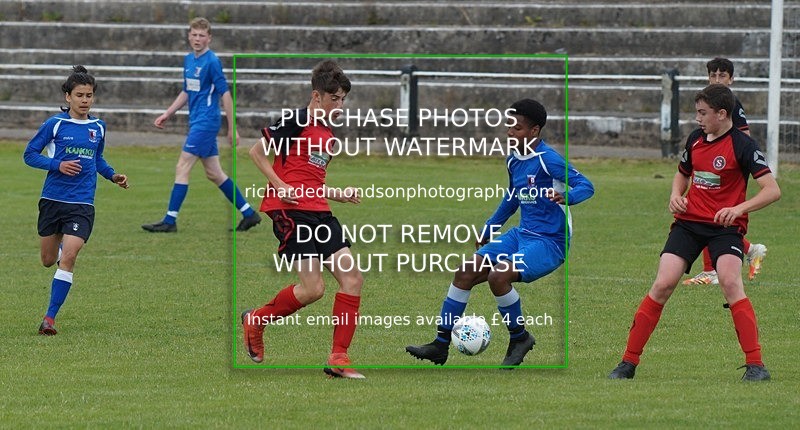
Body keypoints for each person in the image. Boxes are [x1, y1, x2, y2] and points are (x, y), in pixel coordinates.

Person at [609, 84, 780, 381]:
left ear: (722, 114)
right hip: (688, 225)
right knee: (663, 284)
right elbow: (682, 173)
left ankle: (756, 366)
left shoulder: (743, 146)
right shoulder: (695, 140)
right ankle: (627, 362)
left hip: (725, 229)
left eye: (703, 113)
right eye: (697, 113)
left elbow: (772, 191)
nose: (698, 119)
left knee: (730, 281)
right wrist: (676, 194)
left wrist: (739, 209)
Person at [406, 99, 595, 367]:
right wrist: (490, 227)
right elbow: (512, 197)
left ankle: (520, 337)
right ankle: (440, 344)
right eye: (509, 126)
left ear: (534, 131)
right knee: (466, 270)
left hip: (550, 242)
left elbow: (586, 185)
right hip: (521, 234)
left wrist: (567, 196)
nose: (509, 132)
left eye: (517, 128)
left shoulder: (548, 160)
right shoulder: (514, 161)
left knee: (499, 275)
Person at [240, 60, 366, 379]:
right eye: (334, 98)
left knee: (352, 279)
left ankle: (339, 357)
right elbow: (256, 152)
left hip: (320, 210)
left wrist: (339, 194)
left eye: (343, 99)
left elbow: (311, 177)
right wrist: (280, 186)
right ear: (316, 95)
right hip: (289, 211)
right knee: (314, 289)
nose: (340, 105)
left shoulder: (326, 133)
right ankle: (256, 320)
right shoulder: (297, 119)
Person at [23, 65, 129, 335]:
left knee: (69, 257)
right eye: (80, 95)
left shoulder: (98, 127)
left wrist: (112, 175)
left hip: (82, 204)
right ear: (67, 96)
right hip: (52, 200)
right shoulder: (54, 124)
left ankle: (49, 319)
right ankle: (57, 254)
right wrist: (57, 165)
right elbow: (30, 154)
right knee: (48, 260)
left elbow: (97, 159)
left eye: (89, 95)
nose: (85, 100)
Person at [141, 17, 260, 233]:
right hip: (197, 121)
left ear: (209, 38)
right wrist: (168, 113)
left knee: (182, 166)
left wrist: (232, 128)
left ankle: (170, 221)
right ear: (189, 36)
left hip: (206, 123)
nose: (197, 39)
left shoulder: (212, 62)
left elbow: (225, 94)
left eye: (202, 35)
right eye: (194, 34)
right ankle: (249, 213)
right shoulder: (189, 60)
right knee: (214, 173)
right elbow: (187, 90)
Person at [683, 57, 767, 285]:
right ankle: (749, 250)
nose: (717, 79)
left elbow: (743, 136)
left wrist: (730, 158)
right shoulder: (708, 102)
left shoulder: (731, 104)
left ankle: (712, 270)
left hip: (724, 169)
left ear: (731, 79)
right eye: (713, 75)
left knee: (712, 216)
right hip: (705, 164)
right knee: (704, 212)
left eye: (722, 75)